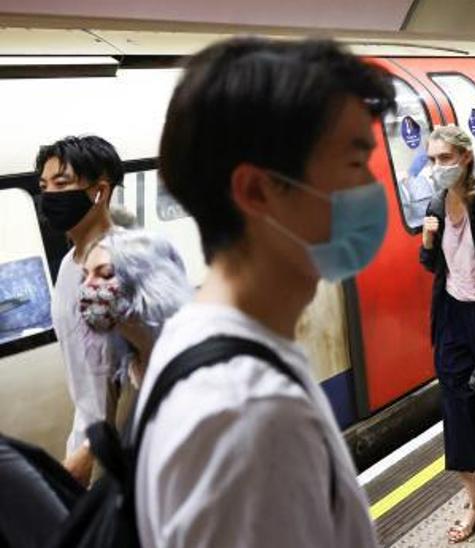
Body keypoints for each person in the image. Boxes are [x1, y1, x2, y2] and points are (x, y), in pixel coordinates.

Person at [136, 37, 393, 547]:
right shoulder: (249, 416)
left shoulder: (209, 341)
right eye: (354, 163)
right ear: (257, 190)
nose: (372, 187)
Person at [417, 125, 475, 543]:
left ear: (465, 157)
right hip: (453, 316)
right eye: (433, 160)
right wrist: (428, 240)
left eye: (444, 159)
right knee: (456, 410)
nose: (438, 168)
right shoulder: (437, 201)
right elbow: (433, 265)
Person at [35, 135, 123, 485]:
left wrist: (91, 451)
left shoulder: (122, 265)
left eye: (62, 183)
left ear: (99, 192)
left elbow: (126, 374)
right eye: (43, 186)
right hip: (89, 433)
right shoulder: (69, 266)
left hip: (119, 446)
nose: (49, 196)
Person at [76, 228, 191, 431]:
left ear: (148, 283)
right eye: (85, 276)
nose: (87, 286)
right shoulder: (128, 362)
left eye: (105, 274)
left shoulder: (190, 356)